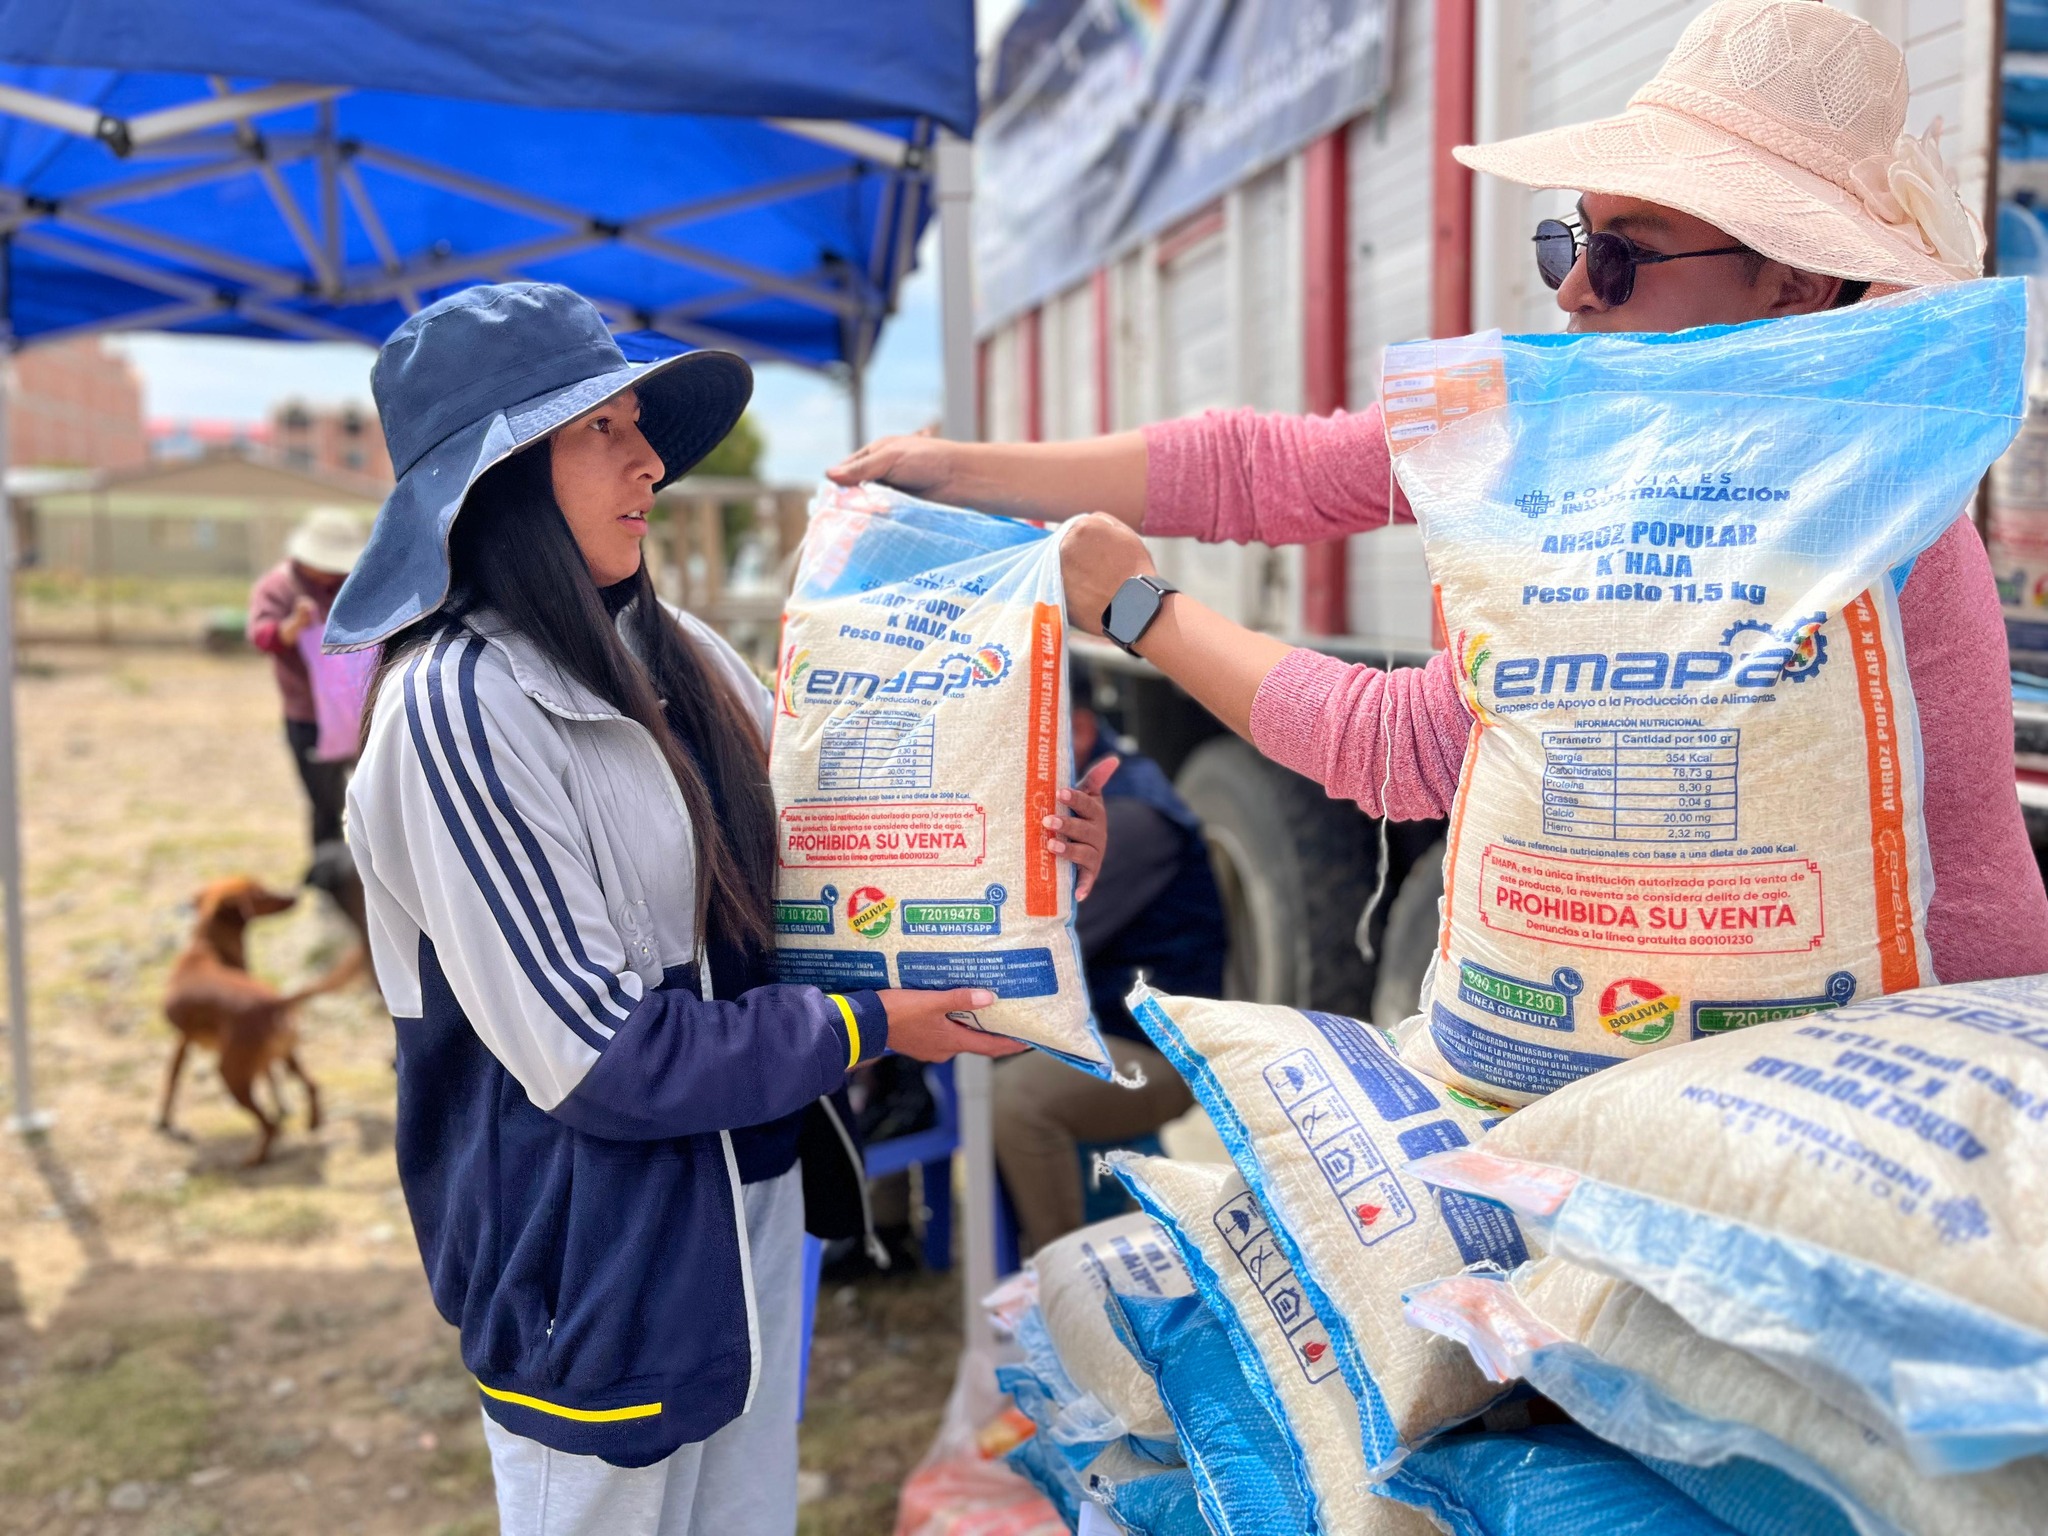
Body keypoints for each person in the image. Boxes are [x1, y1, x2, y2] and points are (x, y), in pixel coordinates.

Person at [832, 0, 2048, 989]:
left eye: (1622, 254)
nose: (1572, 293)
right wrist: (961, 469)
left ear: (1785, 285)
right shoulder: (1560, 414)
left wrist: (1141, 610)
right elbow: (1269, 466)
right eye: (1566, 243)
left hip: (1911, 1033)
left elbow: (1405, 752)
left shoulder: (1856, 510)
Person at [329, 282, 1110, 1536]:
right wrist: (868, 1030)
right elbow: (598, 1060)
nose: (648, 458)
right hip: (591, 1264)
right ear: (499, 476)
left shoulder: (675, 649)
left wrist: (1023, 865)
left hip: (742, 1210)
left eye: (638, 423)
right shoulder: (457, 713)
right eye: (600, 429)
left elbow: (831, 855)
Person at [993, 661, 1225, 1255]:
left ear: (1077, 732)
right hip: (1093, 1031)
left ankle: (1067, 1276)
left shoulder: (1131, 821)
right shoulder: (1081, 806)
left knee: (1014, 1101)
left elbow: (1037, 954)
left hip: (1154, 1060)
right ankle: (887, 1239)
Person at [247, 506, 368, 856]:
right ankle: (331, 876)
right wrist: (292, 628)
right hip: (309, 717)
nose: (333, 573)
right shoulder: (279, 587)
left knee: (370, 795)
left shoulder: (353, 583)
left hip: (359, 713)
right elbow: (261, 637)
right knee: (325, 802)